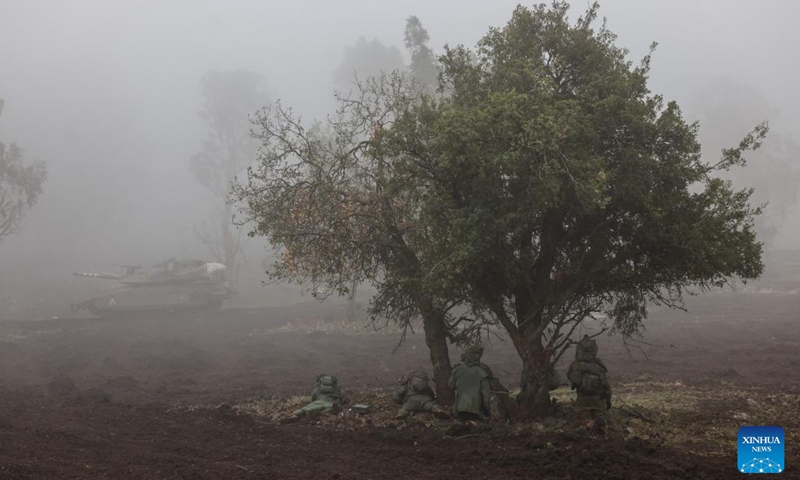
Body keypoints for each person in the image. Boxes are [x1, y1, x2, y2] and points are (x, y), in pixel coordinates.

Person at [567, 335, 612, 430]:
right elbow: (605, 384)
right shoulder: (598, 365)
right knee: (603, 422)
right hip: (598, 399)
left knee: (581, 423)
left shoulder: (575, 365)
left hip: (582, 400)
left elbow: (572, 378)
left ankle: (585, 434)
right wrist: (608, 399)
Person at [448, 345, 494, 432]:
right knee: (486, 426)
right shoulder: (482, 372)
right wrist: (487, 410)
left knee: (460, 421)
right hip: (476, 410)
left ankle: (459, 425)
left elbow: (451, 386)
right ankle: (475, 424)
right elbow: (486, 396)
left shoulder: (457, 370)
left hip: (459, 409)